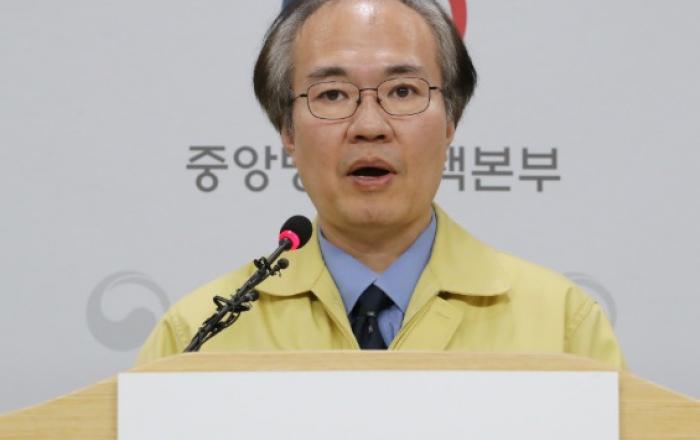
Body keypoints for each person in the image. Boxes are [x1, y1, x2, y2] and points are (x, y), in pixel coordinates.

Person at [136, 0, 625, 368]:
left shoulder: (562, 326)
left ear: (450, 120)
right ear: (287, 131)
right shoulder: (199, 335)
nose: (369, 125)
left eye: (403, 90)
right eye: (332, 94)